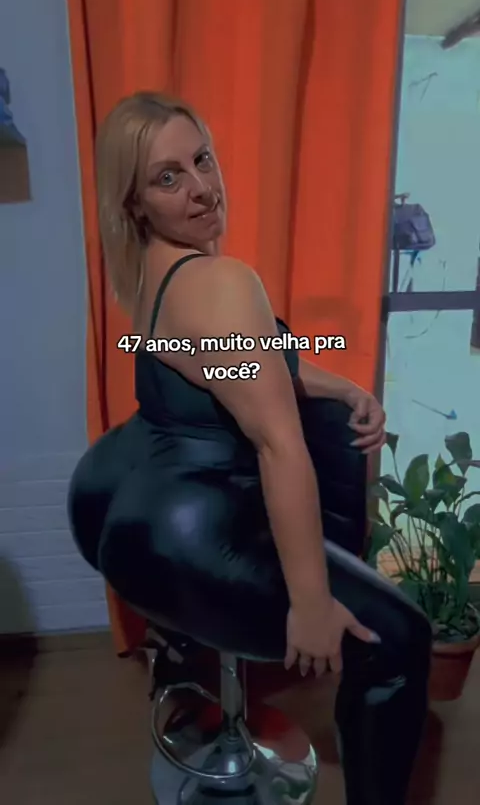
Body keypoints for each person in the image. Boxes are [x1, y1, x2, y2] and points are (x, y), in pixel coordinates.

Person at [68, 91, 431, 805]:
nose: (202, 188)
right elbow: (278, 444)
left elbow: (235, 362)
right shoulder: (223, 282)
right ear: (135, 203)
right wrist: (310, 604)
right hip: (193, 525)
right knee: (400, 640)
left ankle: (187, 657)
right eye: (168, 177)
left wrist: (338, 385)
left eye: (202, 160)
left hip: (123, 494)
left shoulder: (145, 267)